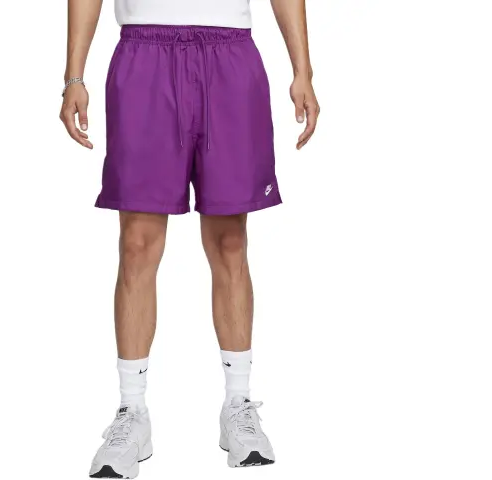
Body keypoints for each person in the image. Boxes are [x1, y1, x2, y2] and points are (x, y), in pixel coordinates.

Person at [60, 0, 319, 477]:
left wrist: (302, 69)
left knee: (230, 242)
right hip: (144, 51)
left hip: (229, 51)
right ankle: (132, 411)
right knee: (137, 243)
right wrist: (74, 76)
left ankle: (238, 405)